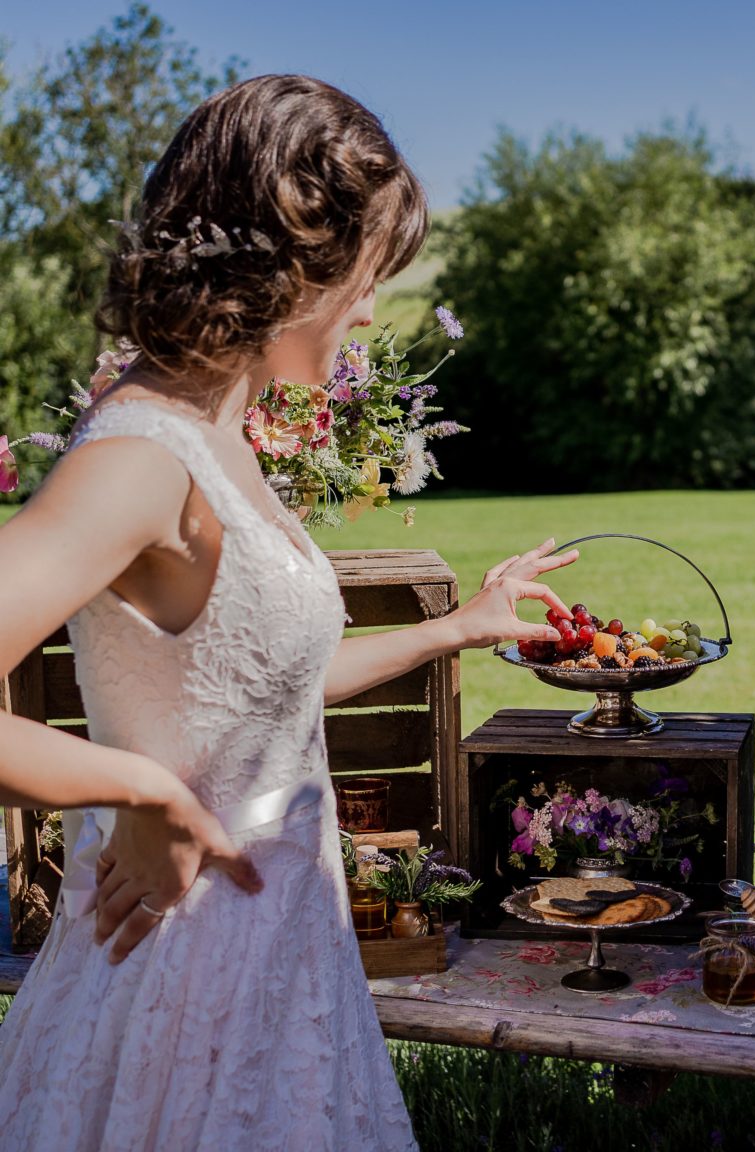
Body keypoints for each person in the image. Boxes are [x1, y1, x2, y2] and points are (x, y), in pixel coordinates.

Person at [0, 74, 575, 1150]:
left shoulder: (220, 426)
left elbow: (258, 700)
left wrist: (460, 627)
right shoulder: (139, 453)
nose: (369, 308)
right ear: (290, 251)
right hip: (181, 993)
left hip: (284, 971)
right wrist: (140, 793)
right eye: (366, 276)